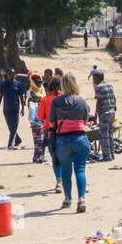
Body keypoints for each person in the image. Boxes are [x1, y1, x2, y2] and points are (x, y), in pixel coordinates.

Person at [50, 73, 91, 212]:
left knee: (66, 172)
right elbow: (85, 121)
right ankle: (82, 199)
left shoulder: (56, 102)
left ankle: (68, 199)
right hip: (80, 139)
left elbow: (51, 123)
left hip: (63, 140)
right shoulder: (82, 101)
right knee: (80, 170)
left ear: (62, 85)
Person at [39, 77, 63, 191]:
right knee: (65, 157)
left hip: (51, 132)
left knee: (55, 158)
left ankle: (59, 180)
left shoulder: (45, 100)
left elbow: (40, 117)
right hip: (65, 131)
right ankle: (65, 179)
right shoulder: (66, 98)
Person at [92, 68, 117, 161]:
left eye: (94, 78)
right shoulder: (109, 84)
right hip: (112, 111)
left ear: (97, 78)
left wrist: (96, 115)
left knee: (103, 135)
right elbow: (114, 98)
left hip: (104, 113)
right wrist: (114, 110)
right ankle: (112, 154)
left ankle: (107, 156)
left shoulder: (99, 87)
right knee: (110, 133)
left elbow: (99, 101)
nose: (93, 80)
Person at [0, 70, 23, 149]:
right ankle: (17, 140)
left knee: (14, 127)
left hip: (15, 109)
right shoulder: (3, 84)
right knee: (11, 127)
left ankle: (10, 144)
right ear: (7, 75)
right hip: (6, 109)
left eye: (12, 74)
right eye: (9, 74)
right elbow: (0, 96)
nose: (11, 76)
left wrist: (23, 109)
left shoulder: (18, 84)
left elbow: (21, 97)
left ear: (15, 75)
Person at [27, 73, 47, 162]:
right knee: (38, 139)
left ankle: (38, 157)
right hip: (35, 118)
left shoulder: (42, 90)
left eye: (41, 81)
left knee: (41, 138)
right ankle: (37, 157)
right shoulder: (32, 92)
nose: (40, 83)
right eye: (38, 82)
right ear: (33, 82)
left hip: (42, 118)